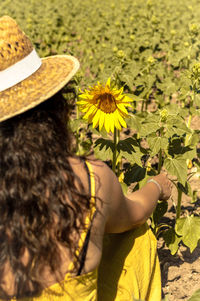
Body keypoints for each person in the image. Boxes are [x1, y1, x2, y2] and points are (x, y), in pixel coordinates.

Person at [0, 16, 172, 301]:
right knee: (136, 239)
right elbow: (135, 213)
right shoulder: (89, 178)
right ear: (54, 106)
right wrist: (156, 185)